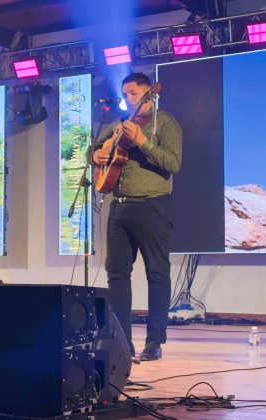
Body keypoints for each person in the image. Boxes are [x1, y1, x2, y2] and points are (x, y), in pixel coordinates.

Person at [91, 72, 182, 361]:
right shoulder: (119, 126)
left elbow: (174, 163)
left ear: (149, 94)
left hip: (152, 207)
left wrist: (143, 142)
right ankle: (121, 341)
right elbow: (92, 152)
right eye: (125, 94)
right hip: (118, 207)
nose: (128, 99)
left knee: (157, 273)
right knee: (116, 275)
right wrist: (96, 156)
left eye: (133, 93)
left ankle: (155, 341)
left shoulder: (165, 122)